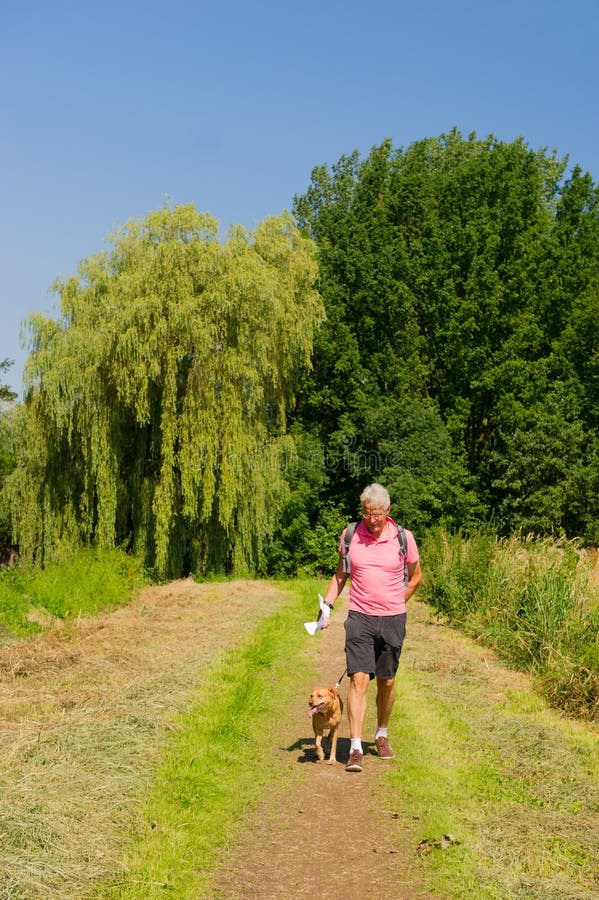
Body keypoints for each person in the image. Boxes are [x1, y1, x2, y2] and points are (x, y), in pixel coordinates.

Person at [319, 483, 422, 772]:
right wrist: (326, 606)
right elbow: (341, 575)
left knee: (387, 681)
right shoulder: (351, 535)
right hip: (360, 617)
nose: (372, 520)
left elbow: (415, 578)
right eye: (367, 514)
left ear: (388, 511)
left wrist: (396, 602)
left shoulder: (404, 538)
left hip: (392, 619)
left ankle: (381, 733)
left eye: (377, 514)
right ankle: (354, 747)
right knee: (359, 678)